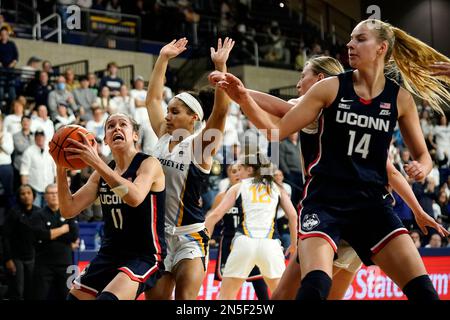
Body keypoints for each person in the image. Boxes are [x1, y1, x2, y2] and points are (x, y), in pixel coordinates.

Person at [210, 19, 450, 300]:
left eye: (360, 39)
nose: (349, 44)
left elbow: (400, 167)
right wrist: (236, 90)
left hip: (370, 206)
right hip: (326, 206)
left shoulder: (398, 98)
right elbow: (274, 124)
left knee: (424, 291)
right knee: (313, 290)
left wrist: (423, 170)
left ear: (381, 48)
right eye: (350, 38)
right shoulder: (328, 91)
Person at [144, 37, 234, 300]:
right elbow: (152, 99)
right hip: (158, 236)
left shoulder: (201, 146)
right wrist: (162, 59)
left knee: (187, 303)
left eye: (174, 112)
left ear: (193, 117)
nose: (167, 116)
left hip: (190, 237)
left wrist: (221, 69)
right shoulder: (163, 135)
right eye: (168, 111)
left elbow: (221, 111)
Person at [56, 113, 166, 300]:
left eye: (123, 124)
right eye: (110, 126)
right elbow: (68, 209)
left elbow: (135, 197)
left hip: (144, 255)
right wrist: (60, 166)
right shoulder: (100, 175)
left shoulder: (148, 164)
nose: (116, 128)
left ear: (135, 136)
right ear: (106, 140)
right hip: (109, 254)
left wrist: (97, 162)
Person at [205, 153, 297, 299]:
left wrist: (203, 242)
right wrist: (294, 244)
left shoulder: (239, 187)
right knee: (281, 295)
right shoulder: (277, 187)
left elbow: (215, 216)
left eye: (240, 168)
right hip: (270, 245)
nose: (238, 172)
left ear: (249, 170)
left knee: (226, 296)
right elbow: (293, 216)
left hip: (244, 244)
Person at [208, 162, 270, 300]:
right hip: (229, 244)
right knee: (228, 287)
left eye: (238, 171)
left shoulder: (255, 195)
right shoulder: (221, 196)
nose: (236, 174)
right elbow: (213, 219)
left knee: (259, 284)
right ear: (228, 175)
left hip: (251, 241)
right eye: (233, 171)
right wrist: (208, 238)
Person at [32, 184, 79, 300]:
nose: (53, 196)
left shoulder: (69, 213)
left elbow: (73, 236)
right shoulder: (38, 215)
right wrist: (63, 230)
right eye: (50, 193)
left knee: (68, 296)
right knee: (39, 296)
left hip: (66, 265)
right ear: (45, 197)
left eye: (56, 193)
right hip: (44, 264)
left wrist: (51, 234)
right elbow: (40, 235)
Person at [2, 185, 40, 300]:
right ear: (19, 197)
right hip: (16, 257)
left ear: (33, 195)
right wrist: (8, 259)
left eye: (28, 193)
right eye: (22, 194)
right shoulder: (13, 212)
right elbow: (5, 237)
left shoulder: (39, 212)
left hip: (33, 256)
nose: (26, 196)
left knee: (32, 290)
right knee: (18, 291)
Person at [20, 130, 56, 207]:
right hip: (34, 189)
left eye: (42, 136)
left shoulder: (50, 150)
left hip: (49, 189)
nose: (40, 138)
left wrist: (56, 186)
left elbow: (55, 169)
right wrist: (26, 190)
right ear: (35, 138)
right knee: (35, 212)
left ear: (45, 137)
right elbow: (24, 172)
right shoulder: (28, 152)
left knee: (48, 212)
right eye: (38, 136)